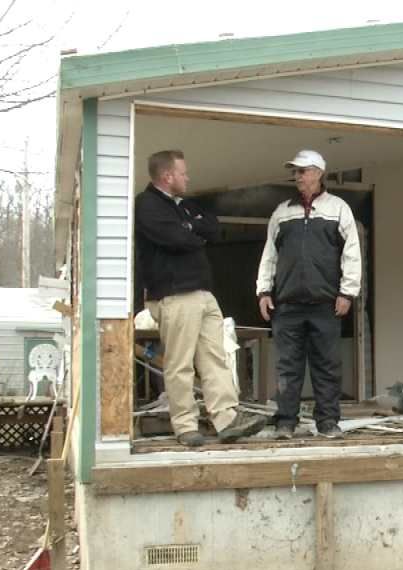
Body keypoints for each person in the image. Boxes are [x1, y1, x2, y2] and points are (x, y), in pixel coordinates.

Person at [135, 149, 265, 447]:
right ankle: (185, 426)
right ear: (167, 176)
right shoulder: (148, 205)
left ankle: (226, 420)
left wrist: (191, 227)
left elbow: (213, 227)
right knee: (180, 364)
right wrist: (191, 231)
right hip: (175, 294)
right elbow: (177, 239)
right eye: (183, 173)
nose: (187, 177)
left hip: (204, 294)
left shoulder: (185, 206)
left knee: (215, 358)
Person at [256, 149, 361, 440]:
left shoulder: (339, 208)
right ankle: (285, 423)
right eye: (296, 171)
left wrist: (347, 293)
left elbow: (351, 255)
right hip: (287, 303)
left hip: (325, 304)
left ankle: (327, 422)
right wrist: (263, 291)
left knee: (326, 366)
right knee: (287, 367)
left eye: (302, 171)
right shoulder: (282, 212)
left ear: (318, 173)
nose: (297, 176)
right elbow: (269, 255)